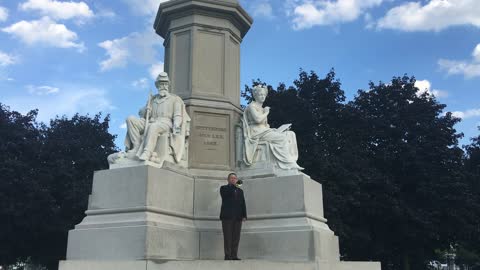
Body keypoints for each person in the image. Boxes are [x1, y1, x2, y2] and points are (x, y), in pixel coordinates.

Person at [122, 72, 190, 165]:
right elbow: (142, 114)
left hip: (166, 123)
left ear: (168, 85)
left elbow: (178, 116)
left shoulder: (175, 99)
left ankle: (147, 152)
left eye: (165, 83)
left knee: (154, 126)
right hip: (150, 121)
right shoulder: (152, 99)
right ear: (157, 85)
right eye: (161, 83)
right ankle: (136, 146)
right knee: (130, 119)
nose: (163, 86)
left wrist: (176, 126)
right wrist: (146, 108)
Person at [241, 85, 302, 170]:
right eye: (260, 94)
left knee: (290, 134)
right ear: (255, 95)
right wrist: (266, 112)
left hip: (264, 130)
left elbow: (264, 125)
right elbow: (258, 120)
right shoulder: (252, 106)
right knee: (282, 138)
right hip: (256, 132)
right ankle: (287, 163)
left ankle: (292, 160)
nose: (262, 96)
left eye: (264, 95)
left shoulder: (261, 108)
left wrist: (274, 129)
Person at [220, 173, 247, 260]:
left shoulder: (240, 191)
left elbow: (243, 203)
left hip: (238, 217)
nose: (233, 179)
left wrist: (244, 215)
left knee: (236, 237)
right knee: (228, 236)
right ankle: (227, 255)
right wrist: (234, 186)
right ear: (228, 180)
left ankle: (234, 255)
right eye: (231, 178)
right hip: (227, 217)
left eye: (235, 178)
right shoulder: (224, 188)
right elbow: (226, 196)